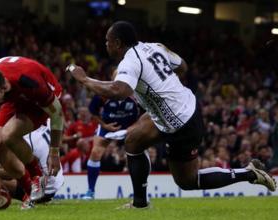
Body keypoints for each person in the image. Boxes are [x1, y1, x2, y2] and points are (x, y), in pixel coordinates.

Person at [68, 21, 277, 208]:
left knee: (188, 182)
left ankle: (250, 173)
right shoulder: (154, 47)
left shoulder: (130, 62)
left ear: (118, 43)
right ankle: (140, 203)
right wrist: (165, 88)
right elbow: (182, 66)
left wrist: (85, 80)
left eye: (108, 41)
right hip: (178, 110)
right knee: (133, 142)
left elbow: (118, 91)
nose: (106, 44)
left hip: (182, 123)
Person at [0, 56, 64, 202]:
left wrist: (54, 151)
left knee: (9, 135)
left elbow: (57, 114)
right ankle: (29, 194)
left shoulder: (32, 83)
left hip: (41, 97)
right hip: (14, 95)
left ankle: (37, 176)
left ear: (3, 88)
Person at [83, 90, 140, 199]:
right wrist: (104, 125)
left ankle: (140, 191)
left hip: (131, 127)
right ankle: (90, 191)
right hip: (108, 126)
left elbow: (145, 114)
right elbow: (93, 111)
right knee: (95, 153)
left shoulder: (137, 94)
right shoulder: (104, 93)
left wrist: (133, 128)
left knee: (138, 155)